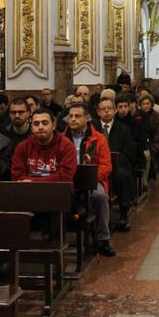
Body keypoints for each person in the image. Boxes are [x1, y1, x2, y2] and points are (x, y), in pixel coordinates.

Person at [64, 103, 115, 257]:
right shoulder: (61, 138)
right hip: (67, 179)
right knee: (54, 195)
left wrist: (90, 176)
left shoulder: (98, 139)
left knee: (99, 196)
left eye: (77, 116)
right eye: (70, 116)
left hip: (92, 180)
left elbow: (106, 166)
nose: (72, 119)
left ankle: (103, 238)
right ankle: (54, 235)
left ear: (87, 118)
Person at [94, 97, 136, 231]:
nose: (106, 112)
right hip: (98, 166)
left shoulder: (124, 128)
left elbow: (129, 151)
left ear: (114, 110)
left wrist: (115, 163)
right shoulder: (92, 128)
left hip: (117, 166)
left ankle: (124, 213)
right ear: (98, 112)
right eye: (103, 109)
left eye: (109, 109)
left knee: (122, 175)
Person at [11, 109, 77, 183]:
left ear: (53, 125)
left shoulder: (66, 146)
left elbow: (65, 177)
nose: (40, 127)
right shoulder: (22, 147)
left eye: (45, 123)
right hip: (28, 192)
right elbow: (16, 175)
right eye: (36, 124)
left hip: (57, 192)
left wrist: (33, 182)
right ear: (31, 127)